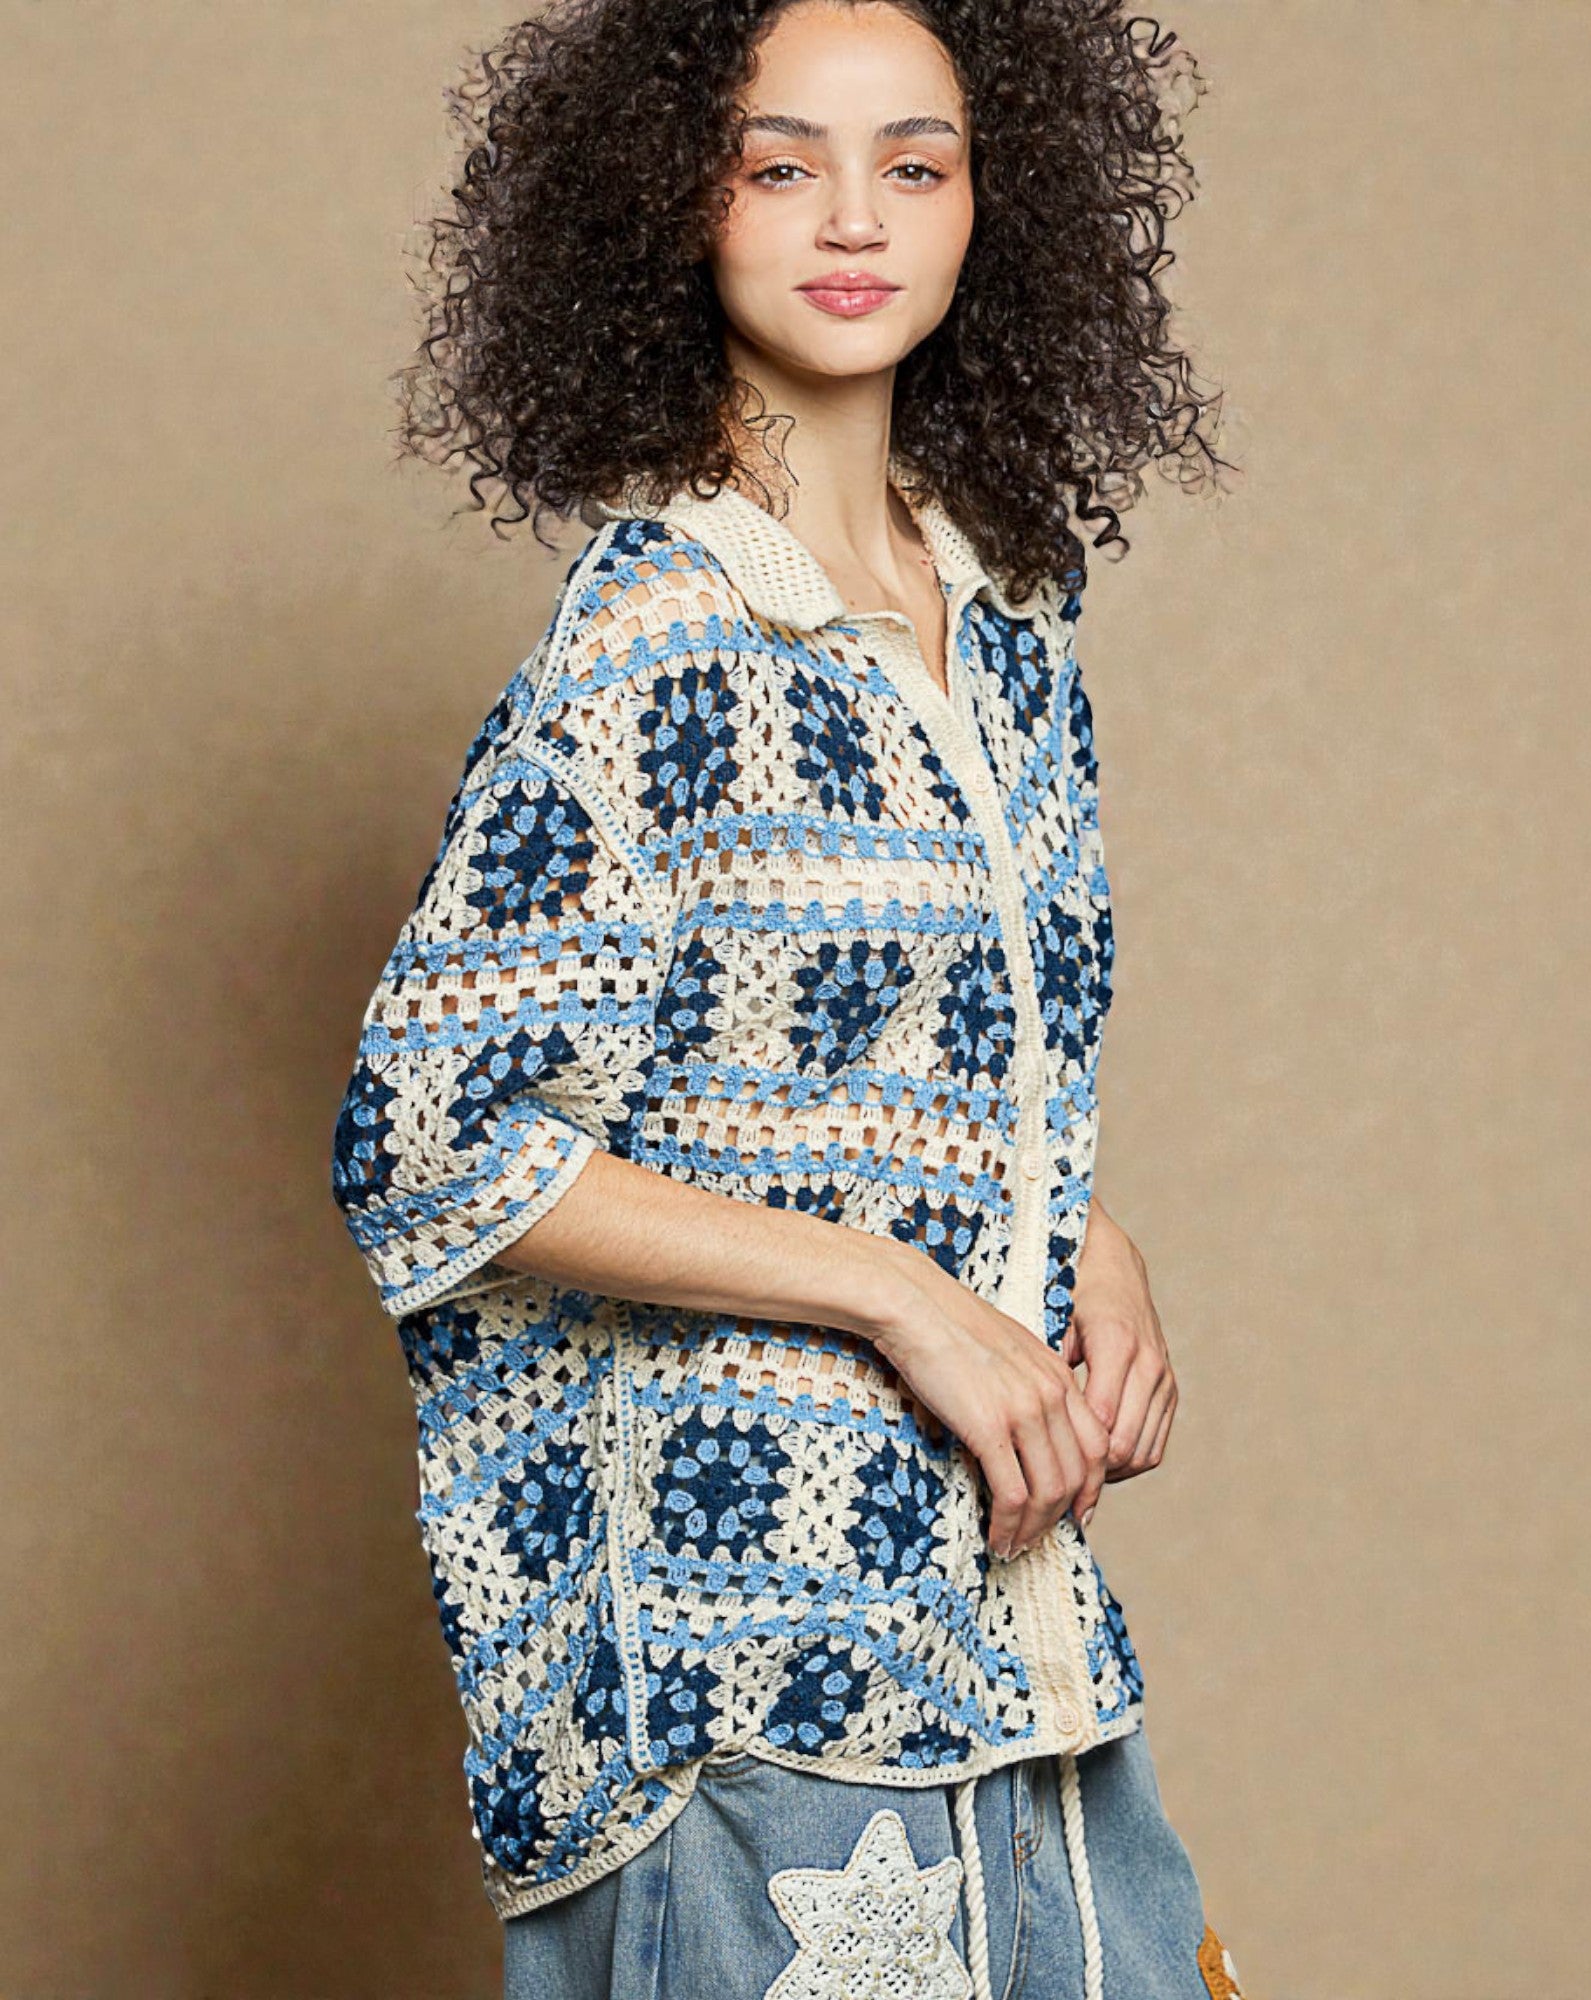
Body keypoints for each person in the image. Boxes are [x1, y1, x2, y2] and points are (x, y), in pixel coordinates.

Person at [330, 2, 1244, 1995]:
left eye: (912, 163)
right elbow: (429, 1148)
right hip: (740, 1654)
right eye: (778, 161)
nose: (853, 216)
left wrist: (1072, 1230)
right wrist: (903, 1288)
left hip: (1001, 1615)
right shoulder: (658, 645)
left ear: (991, 205)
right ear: (676, 201)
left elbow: (877, 1062)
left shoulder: (1002, 626)